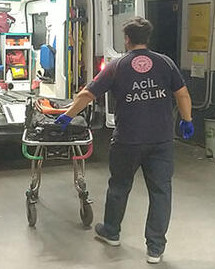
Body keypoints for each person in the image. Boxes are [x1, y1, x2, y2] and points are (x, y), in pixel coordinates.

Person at [55, 16, 194, 264]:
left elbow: (88, 94)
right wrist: (187, 119)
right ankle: (155, 249)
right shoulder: (165, 63)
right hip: (161, 140)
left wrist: (68, 115)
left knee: (119, 185)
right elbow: (182, 94)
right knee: (161, 192)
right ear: (147, 38)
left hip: (128, 140)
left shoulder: (117, 66)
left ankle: (111, 232)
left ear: (127, 39)